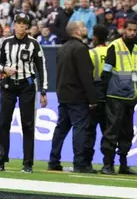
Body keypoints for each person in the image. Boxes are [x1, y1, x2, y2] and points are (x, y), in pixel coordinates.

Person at [0, 13, 48, 173]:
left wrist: (43, 90)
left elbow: (41, 67)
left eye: (24, 24)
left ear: (28, 27)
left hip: (27, 86)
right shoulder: (6, 43)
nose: (21, 26)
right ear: (14, 25)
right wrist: (5, 69)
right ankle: (2, 159)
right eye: (19, 23)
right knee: (4, 123)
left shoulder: (34, 44)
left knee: (28, 125)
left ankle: (28, 163)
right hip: (8, 86)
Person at [48, 21, 97, 173]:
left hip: (63, 95)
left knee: (61, 129)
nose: (85, 29)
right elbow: (86, 76)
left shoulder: (62, 49)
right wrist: (92, 98)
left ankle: (53, 160)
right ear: (77, 32)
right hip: (77, 96)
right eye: (83, 27)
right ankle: (79, 162)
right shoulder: (81, 49)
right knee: (80, 128)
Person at [100, 19, 137, 175]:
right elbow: (106, 72)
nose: (132, 33)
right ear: (123, 30)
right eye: (130, 30)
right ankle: (108, 165)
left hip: (130, 97)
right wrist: (103, 94)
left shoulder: (136, 48)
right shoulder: (114, 46)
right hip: (115, 96)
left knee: (127, 133)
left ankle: (123, 164)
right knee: (112, 132)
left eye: (135, 30)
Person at [84, 24, 110, 169]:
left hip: (94, 93)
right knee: (107, 131)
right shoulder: (112, 51)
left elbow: (87, 75)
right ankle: (107, 163)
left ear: (95, 37)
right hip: (109, 95)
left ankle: (87, 162)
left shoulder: (91, 53)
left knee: (90, 130)